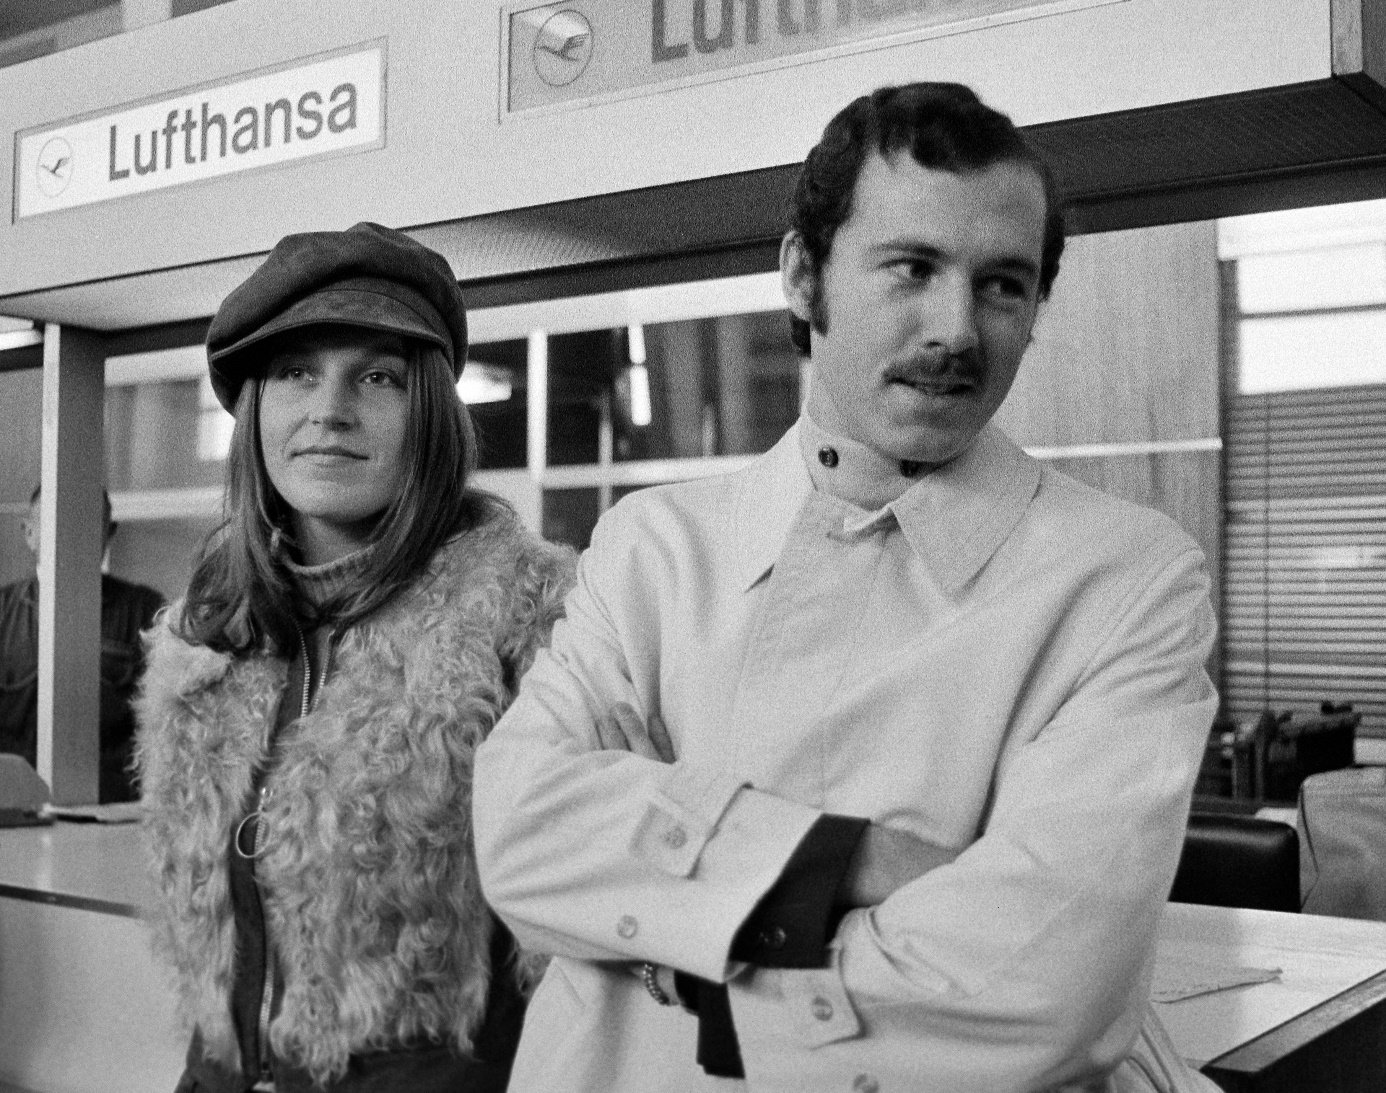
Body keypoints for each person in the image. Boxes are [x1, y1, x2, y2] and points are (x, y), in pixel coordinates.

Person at [473, 83, 1220, 1092]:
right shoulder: (651, 546)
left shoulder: (1129, 576)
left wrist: (675, 933)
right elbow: (520, 834)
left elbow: (1045, 982)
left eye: (1002, 285)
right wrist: (850, 860)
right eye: (912, 268)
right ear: (801, 274)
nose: (956, 328)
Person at [133, 222, 574, 1093]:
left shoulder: (532, 622)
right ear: (257, 406)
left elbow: (580, 955)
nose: (329, 408)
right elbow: (217, 965)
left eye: (376, 376)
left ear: (432, 412)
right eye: (298, 372)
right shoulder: (204, 639)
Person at [0, 486, 162, 802]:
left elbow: (166, 728)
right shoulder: (1, 614)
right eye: (53, 522)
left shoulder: (145, 612)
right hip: (11, 812)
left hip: (111, 810)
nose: (70, 535)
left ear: (108, 532)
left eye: (87, 522)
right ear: (29, 532)